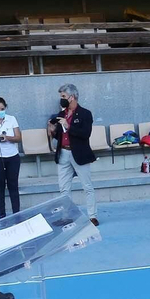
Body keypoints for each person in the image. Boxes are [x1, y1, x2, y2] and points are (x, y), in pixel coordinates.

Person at [49, 83, 97, 225]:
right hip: (63, 152)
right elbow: (59, 135)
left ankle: (92, 216)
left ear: (72, 97)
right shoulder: (61, 114)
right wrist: (53, 130)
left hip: (79, 153)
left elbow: (85, 134)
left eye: (63, 96)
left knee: (87, 186)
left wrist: (68, 126)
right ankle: (66, 216)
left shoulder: (85, 114)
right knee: (64, 188)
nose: (61, 99)